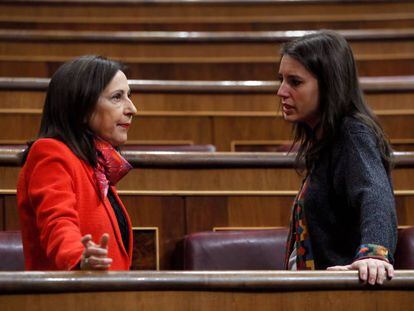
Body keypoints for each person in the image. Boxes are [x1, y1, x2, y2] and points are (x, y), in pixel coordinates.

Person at [277, 30, 397, 285]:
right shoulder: (325, 139)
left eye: (295, 82)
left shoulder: (353, 133)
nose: (281, 92)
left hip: (341, 294)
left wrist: (374, 253)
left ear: (330, 84)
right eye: (282, 80)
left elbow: (375, 194)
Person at [17, 55, 137, 270]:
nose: (132, 109)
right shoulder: (50, 153)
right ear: (82, 107)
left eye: (129, 96)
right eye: (117, 97)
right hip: (70, 300)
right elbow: (58, 223)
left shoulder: (93, 163)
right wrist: (78, 257)